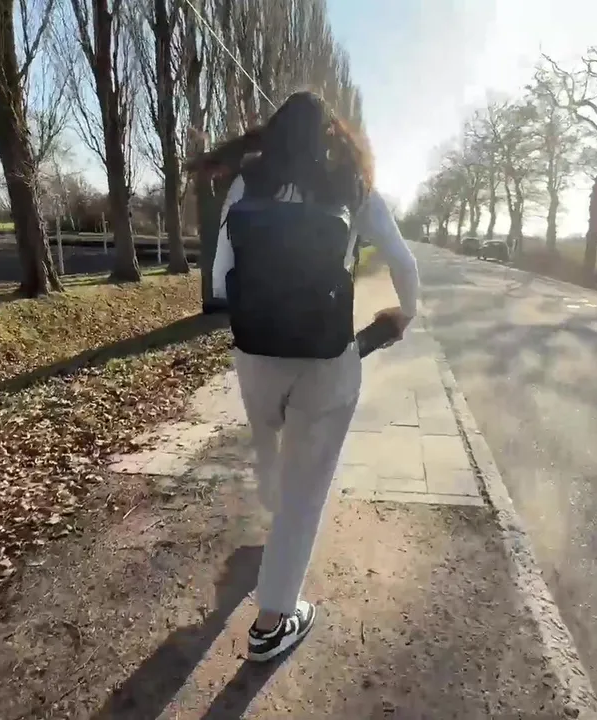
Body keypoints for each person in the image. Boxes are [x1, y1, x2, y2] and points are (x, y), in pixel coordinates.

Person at [187, 91, 420, 662]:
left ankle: (274, 520)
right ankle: (272, 622)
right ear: (332, 139)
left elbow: (219, 276)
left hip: (255, 353)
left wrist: (258, 306)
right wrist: (405, 314)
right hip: (327, 360)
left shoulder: (246, 183)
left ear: (271, 137)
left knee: (268, 439)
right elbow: (403, 262)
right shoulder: (352, 187)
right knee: (306, 491)